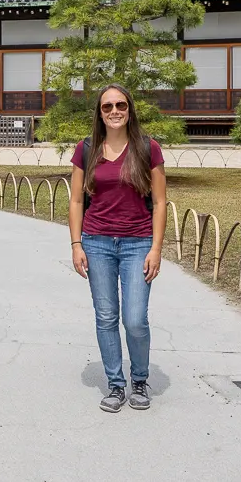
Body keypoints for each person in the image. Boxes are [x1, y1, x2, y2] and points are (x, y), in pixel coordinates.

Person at [68, 83, 168, 413]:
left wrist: (155, 248)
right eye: (108, 106)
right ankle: (115, 384)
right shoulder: (87, 149)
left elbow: (160, 200)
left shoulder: (147, 147)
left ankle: (140, 378)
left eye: (120, 105)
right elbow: (76, 199)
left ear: (130, 109)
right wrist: (76, 243)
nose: (114, 111)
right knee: (107, 316)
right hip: (97, 243)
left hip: (137, 242)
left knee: (135, 319)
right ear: (99, 112)